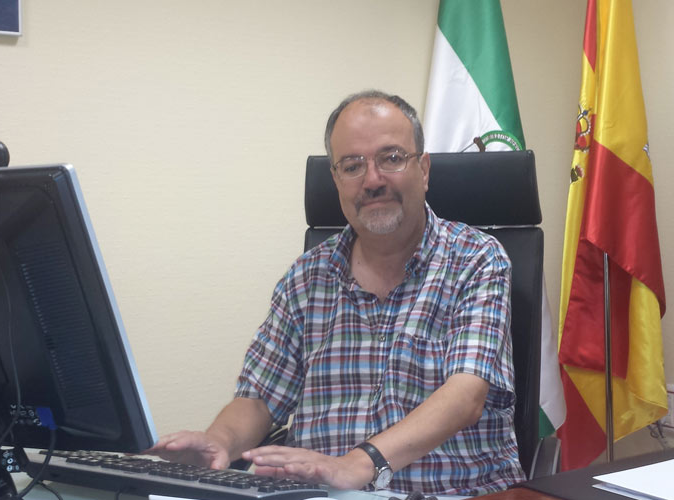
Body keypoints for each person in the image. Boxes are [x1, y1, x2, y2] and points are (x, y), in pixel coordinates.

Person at [147, 90, 526, 496]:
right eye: (352, 166)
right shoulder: (306, 277)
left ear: (424, 169)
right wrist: (220, 442)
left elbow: (466, 396)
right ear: (336, 180)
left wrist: (357, 464)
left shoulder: (476, 259)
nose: (372, 180)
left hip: (455, 492)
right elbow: (259, 399)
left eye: (392, 158)